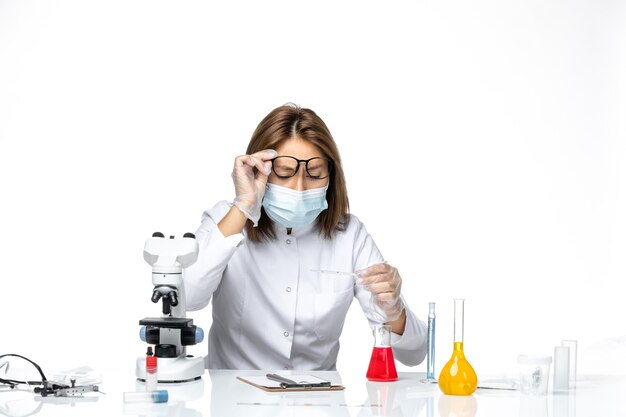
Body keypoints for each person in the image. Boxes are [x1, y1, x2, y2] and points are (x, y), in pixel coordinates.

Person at [183, 103, 427, 370]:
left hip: (318, 402)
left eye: (315, 173)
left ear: (331, 177)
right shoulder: (226, 220)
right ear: (258, 170)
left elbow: (414, 354)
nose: (299, 188)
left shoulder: (350, 236)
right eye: (285, 172)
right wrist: (243, 206)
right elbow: (187, 297)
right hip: (234, 401)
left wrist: (394, 310)